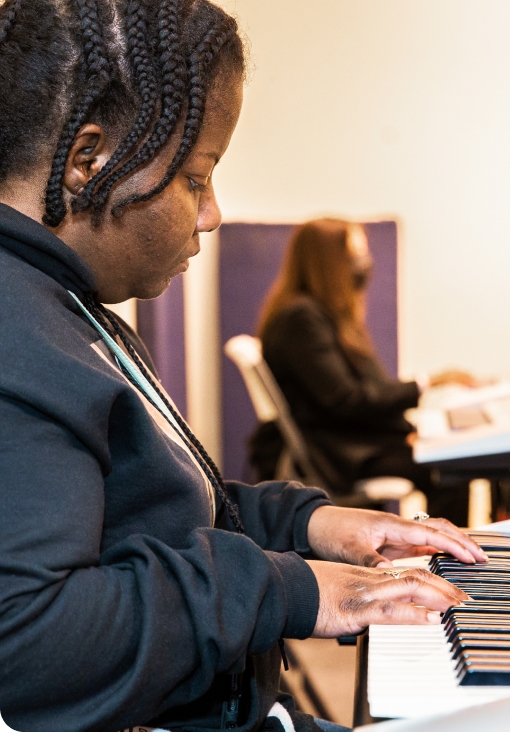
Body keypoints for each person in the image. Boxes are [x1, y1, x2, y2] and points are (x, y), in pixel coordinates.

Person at [0, 3, 485, 732]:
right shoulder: (18, 331)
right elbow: (35, 640)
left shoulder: (70, 306)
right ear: (88, 160)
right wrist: (290, 589)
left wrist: (309, 525)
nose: (213, 214)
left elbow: (158, 514)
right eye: (197, 179)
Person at [249, 219, 474, 525]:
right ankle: (448, 563)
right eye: (355, 255)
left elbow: (363, 394)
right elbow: (346, 401)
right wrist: (425, 386)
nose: (363, 264)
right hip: (342, 454)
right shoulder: (302, 319)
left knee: (445, 459)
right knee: (448, 470)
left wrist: (407, 430)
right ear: (328, 262)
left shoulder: (323, 315)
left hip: (352, 442)